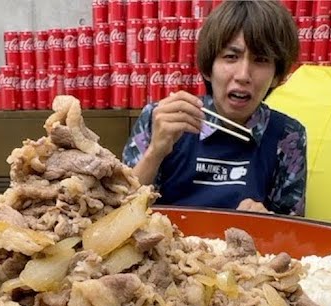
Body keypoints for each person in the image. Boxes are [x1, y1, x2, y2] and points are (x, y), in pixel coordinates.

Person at [122, 0, 306, 216]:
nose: (243, 75)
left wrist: (269, 222)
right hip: (166, 246)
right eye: (231, 57)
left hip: (246, 248)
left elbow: (294, 234)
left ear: (277, 76)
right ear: (209, 68)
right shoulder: (161, 118)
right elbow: (118, 213)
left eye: (261, 59)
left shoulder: (288, 136)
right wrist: (155, 152)